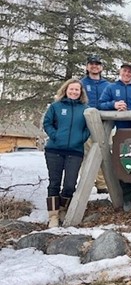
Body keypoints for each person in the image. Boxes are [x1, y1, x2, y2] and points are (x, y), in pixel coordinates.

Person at [98, 63, 131, 213]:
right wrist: (114, 104)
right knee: (125, 163)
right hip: (121, 131)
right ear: (120, 72)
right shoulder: (111, 88)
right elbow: (100, 104)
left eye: (130, 72)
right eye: (125, 71)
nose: (127, 74)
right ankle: (127, 197)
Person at [43, 79, 90, 228]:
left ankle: (63, 208)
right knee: (54, 182)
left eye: (77, 90)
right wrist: (55, 135)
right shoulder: (56, 107)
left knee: (70, 184)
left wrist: (81, 139)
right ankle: (53, 216)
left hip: (75, 151)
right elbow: (47, 123)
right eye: (72, 89)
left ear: (81, 92)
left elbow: (89, 127)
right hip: (54, 150)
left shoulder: (85, 109)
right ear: (66, 90)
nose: (74, 92)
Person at [80, 54, 109, 194]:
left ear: (101, 67)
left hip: (105, 125)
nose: (94, 66)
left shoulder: (107, 85)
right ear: (87, 66)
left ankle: (102, 184)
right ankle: (86, 183)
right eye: (91, 63)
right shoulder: (81, 84)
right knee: (88, 154)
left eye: (97, 64)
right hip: (85, 125)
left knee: (104, 153)